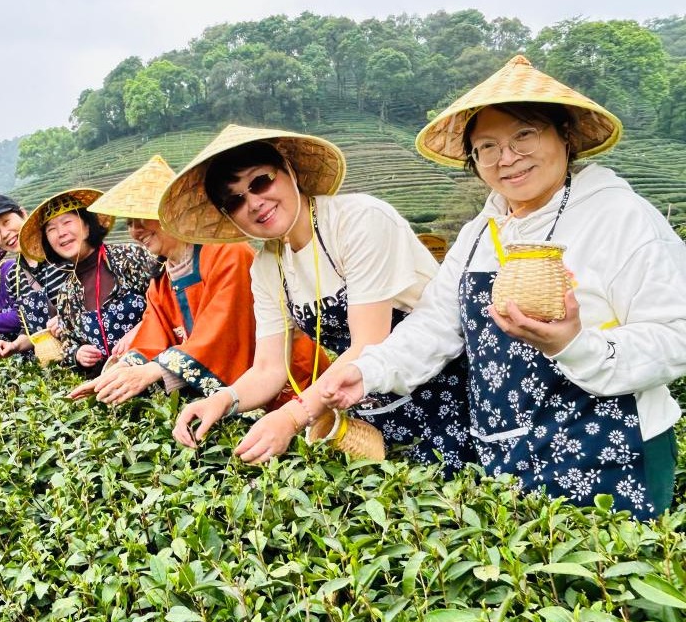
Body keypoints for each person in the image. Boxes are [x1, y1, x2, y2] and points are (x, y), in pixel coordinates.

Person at [323, 55, 686, 517]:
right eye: (487, 146)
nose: (507, 158)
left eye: (524, 135)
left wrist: (576, 346)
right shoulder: (480, 233)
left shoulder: (621, 217)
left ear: (565, 135)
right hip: (509, 457)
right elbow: (435, 324)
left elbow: (676, 334)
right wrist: (370, 371)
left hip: (612, 451)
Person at [163, 125, 474, 469]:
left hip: (440, 387)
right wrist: (223, 400)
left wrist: (292, 417)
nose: (254, 203)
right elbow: (269, 368)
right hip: (366, 404)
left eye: (260, 182)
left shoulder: (357, 221)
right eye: (235, 201)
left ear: (290, 171)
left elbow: (368, 343)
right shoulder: (268, 266)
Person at [67, 155, 325, 405]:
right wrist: (119, 371)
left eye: (141, 218)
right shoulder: (161, 278)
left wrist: (152, 371)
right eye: (129, 222)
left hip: (293, 383)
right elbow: (153, 334)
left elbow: (221, 332)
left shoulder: (227, 253)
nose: (135, 230)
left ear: (172, 212)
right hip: (239, 396)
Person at [17, 188, 156, 375]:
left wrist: (141, 329)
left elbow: (169, 299)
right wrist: (77, 354)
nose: (61, 233)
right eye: (51, 229)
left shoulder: (129, 257)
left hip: (156, 371)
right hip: (112, 385)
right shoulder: (66, 294)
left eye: (67, 222)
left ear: (88, 225)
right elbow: (68, 345)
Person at [0, 194, 69, 359]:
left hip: (92, 355)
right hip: (57, 365)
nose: (4, 234)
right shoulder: (13, 277)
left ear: (23, 214)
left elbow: (99, 298)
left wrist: (70, 319)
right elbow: (30, 330)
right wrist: (14, 346)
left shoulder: (62, 250)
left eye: (6, 222)